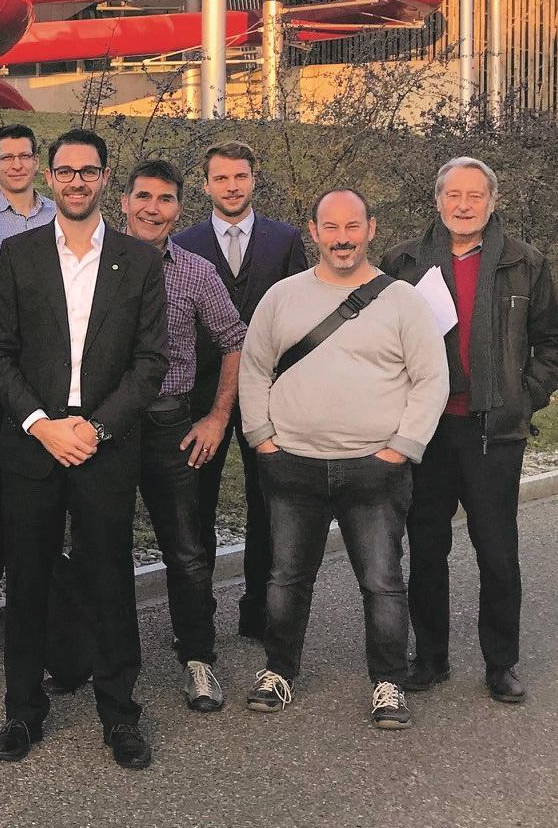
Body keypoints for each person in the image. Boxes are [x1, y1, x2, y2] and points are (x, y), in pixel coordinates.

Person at [0, 128, 169, 771]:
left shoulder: (140, 262)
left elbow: (151, 363)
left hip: (105, 444)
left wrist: (95, 428)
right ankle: (22, 711)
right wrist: (41, 422)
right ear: (49, 177)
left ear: (104, 180)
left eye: (88, 172)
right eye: (65, 171)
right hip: (34, 441)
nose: (76, 182)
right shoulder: (19, 254)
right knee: (28, 579)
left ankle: (120, 714)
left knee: (109, 579)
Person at [239, 189, 448, 731]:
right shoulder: (282, 297)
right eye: (330, 227)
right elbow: (254, 368)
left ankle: (388, 682)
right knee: (286, 579)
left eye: (353, 226)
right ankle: (278, 670)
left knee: (381, 581)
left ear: (371, 228)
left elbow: (432, 379)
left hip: (374, 469)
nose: (342, 238)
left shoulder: (401, 301)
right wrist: (261, 436)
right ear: (313, 231)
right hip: (292, 465)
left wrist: (400, 448)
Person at [384, 157, 558, 705]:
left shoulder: (524, 263)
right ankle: (431, 657)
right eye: (453, 194)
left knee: (497, 551)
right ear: (437, 200)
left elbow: (550, 344)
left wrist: (523, 396)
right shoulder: (404, 262)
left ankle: (501, 663)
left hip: (492, 433)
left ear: (492, 200)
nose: (464, 205)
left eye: (475, 196)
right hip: (427, 431)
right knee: (426, 548)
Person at [119, 159, 247, 711]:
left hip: (171, 424)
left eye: (165, 198)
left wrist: (217, 416)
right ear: (123, 201)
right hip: (107, 427)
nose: (153, 207)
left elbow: (234, 339)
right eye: (143, 196)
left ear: (178, 207)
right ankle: (105, 656)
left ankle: (198, 659)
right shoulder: (94, 264)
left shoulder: (195, 271)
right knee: (102, 547)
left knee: (189, 550)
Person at [174, 141, 309, 639]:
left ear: (254, 180)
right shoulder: (183, 243)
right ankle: (197, 617)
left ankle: (260, 612)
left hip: (269, 391)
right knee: (196, 506)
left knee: (268, 504)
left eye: (241, 177)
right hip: (202, 396)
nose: (232, 186)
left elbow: (302, 316)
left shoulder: (285, 240)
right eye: (222, 178)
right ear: (206, 184)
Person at [0, 122, 56, 616]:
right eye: (8, 157)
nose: (17, 164)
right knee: (4, 473)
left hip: (52, 361)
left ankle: (39, 572)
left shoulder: (58, 213)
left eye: (25, 156)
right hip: (0, 361)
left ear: (35, 162)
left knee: (44, 471)